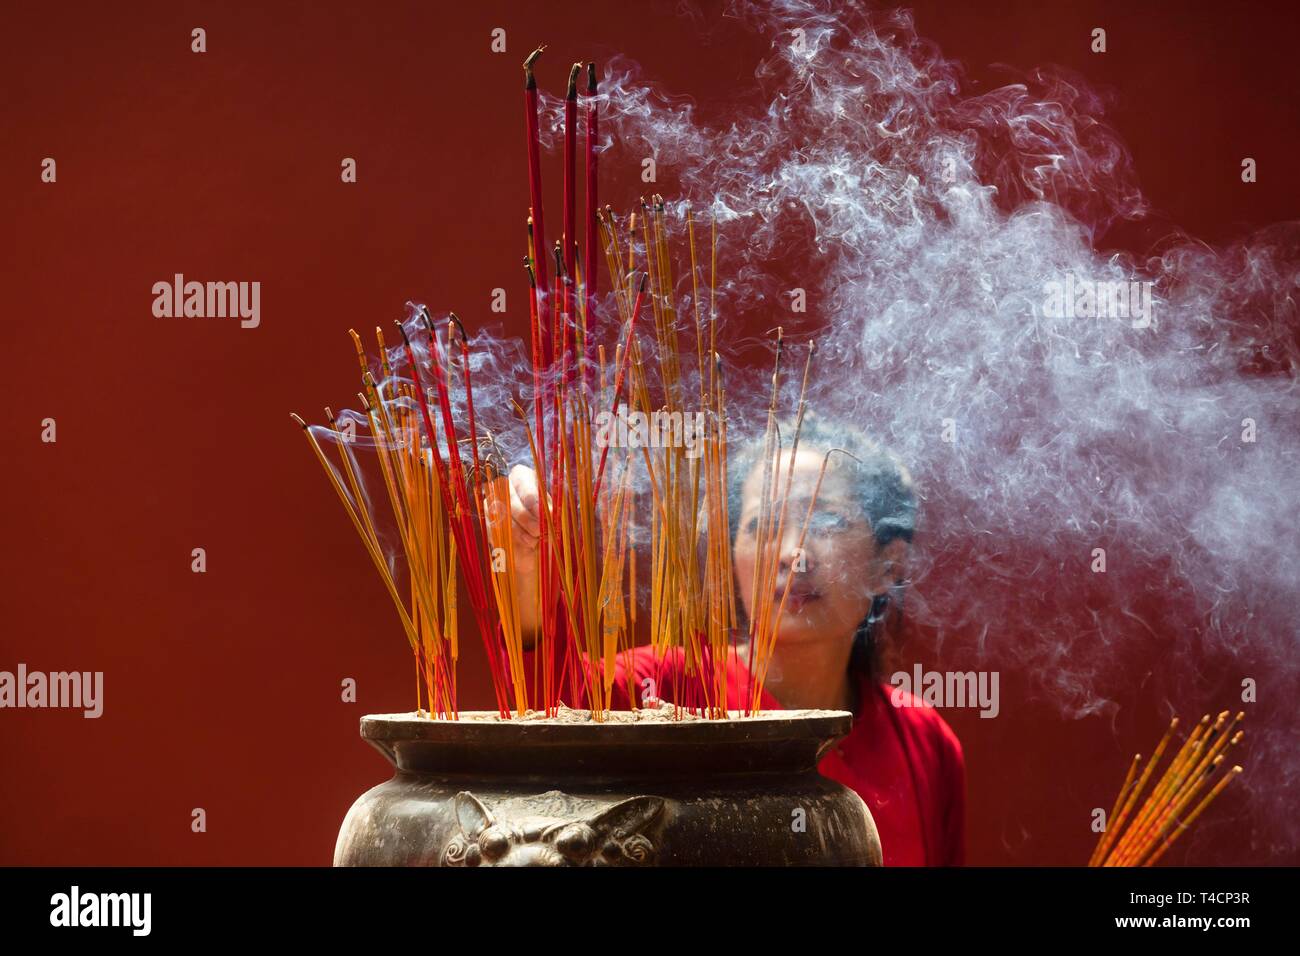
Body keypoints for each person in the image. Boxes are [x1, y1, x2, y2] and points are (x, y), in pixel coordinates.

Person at [501, 413, 965, 866]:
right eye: (762, 526)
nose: (793, 553)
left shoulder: (924, 739)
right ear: (732, 557)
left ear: (889, 564)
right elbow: (549, 706)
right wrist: (524, 564)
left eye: (825, 523)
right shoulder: (668, 689)